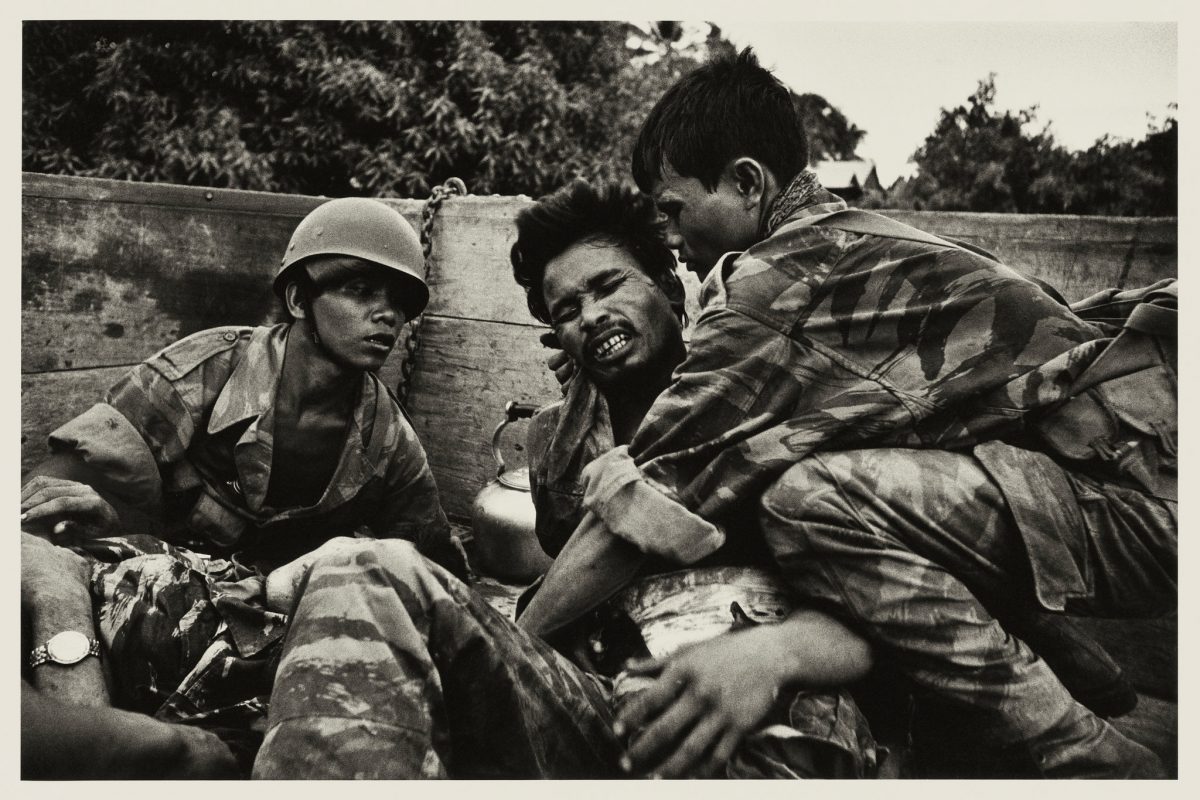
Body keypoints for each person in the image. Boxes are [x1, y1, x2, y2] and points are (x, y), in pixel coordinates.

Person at [517, 49, 1175, 778]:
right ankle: (1062, 675)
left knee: (808, 499)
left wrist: (517, 640)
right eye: (567, 311)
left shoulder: (777, 282)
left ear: (746, 182)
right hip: (1094, 485)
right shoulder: (841, 249)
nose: (670, 237)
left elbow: (651, 491)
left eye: (673, 211)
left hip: (1131, 500)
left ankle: (1092, 766)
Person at [252, 180, 877, 779]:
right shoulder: (565, 448)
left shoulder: (764, 402)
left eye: (609, 287)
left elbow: (883, 612)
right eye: (568, 310)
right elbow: (557, 602)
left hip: (754, 709)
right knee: (357, 567)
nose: (593, 316)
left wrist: (771, 655)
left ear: (671, 290)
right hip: (599, 709)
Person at [20, 196, 468, 775]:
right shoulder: (198, 377)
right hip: (138, 611)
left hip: (257, 641)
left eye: (400, 303)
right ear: (298, 298)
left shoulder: (390, 446)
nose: (387, 317)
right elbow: (43, 520)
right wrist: (104, 522)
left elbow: (438, 580)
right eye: (360, 291)